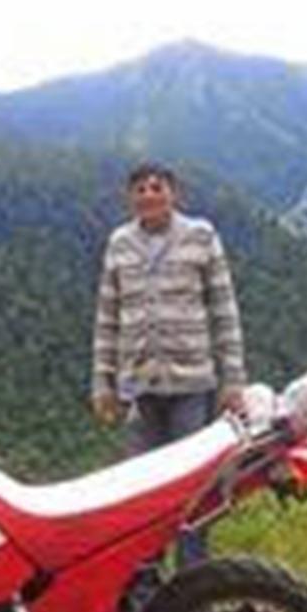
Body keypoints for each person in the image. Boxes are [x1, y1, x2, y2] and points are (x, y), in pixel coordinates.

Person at [91, 162, 247, 560]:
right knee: (142, 489)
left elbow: (224, 310)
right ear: (130, 198)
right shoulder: (120, 243)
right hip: (139, 388)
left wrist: (233, 381)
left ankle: (192, 578)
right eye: (140, 189)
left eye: (156, 187)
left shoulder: (200, 236)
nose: (148, 194)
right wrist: (103, 383)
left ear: (174, 194)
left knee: (193, 486)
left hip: (192, 386)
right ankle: (145, 576)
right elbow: (107, 317)